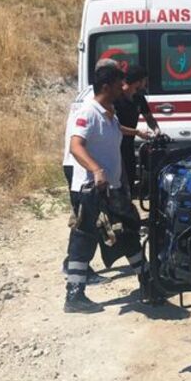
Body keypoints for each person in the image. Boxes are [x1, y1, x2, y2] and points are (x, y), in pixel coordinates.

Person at [64, 63, 147, 313]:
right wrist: (97, 170)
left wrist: (139, 133)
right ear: (105, 86)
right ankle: (74, 295)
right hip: (91, 189)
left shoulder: (109, 112)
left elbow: (115, 132)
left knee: (129, 230)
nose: (124, 88)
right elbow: (76, 146)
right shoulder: (88, 112)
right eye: (119, 84)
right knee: (85, 240)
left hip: (112, 188)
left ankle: (148, 279)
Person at [60, 59, 116, 284]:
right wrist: (96, 168)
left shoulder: (86, 94)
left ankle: (78, 268)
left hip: (80, 164)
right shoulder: (91, 104)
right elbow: (78, 143)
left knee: (89, 222)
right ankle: (76, 272)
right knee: (85, 223)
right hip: (81, 166)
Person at [114, 65, 159, 195]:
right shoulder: (117, 98)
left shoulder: (139, 98)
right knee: (118, 183)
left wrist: (156, 130)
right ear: (138, 81)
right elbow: (115, 127)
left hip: (129, 146)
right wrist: (138, 133)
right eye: (144, 80)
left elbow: (149, 118)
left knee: (130, 179)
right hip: (115, 147)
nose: (146, 83)